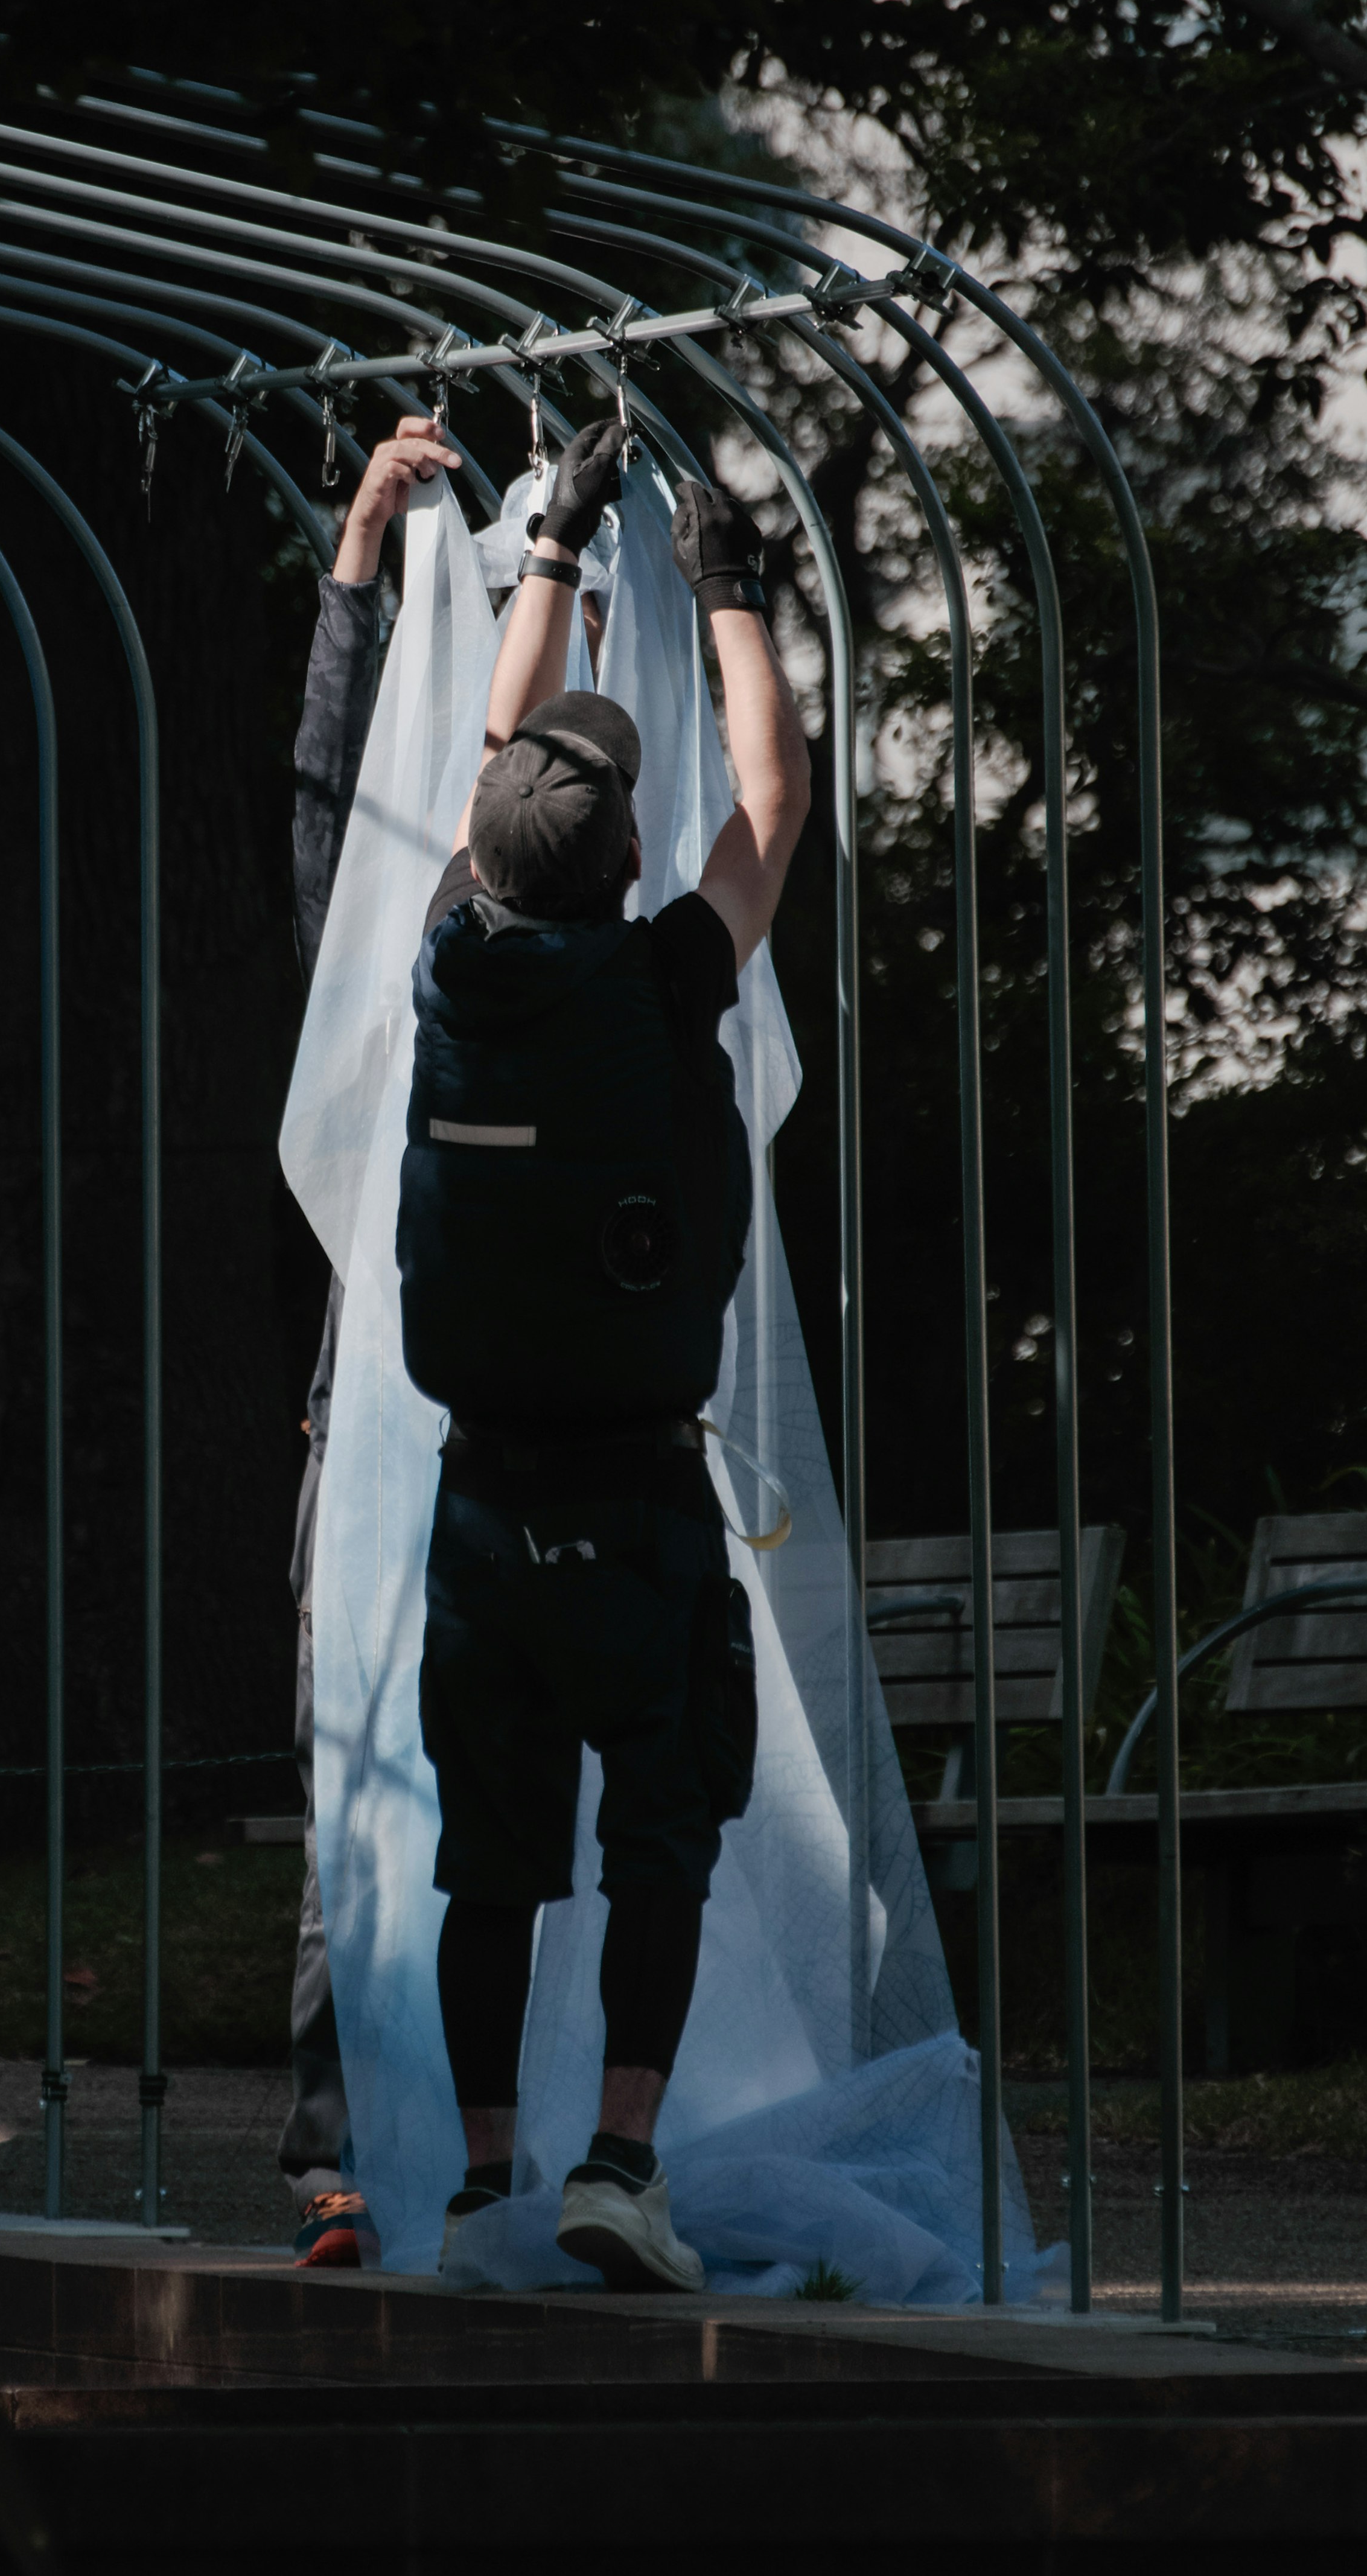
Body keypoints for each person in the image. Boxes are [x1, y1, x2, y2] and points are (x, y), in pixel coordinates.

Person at [396, 413, 811, 2292]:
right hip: (636, 1500)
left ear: (490, 858)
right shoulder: (666, 986)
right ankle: (617, 2158)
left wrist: (550, 543)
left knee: (490, 1860)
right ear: (627, 853)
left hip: (482, 1499)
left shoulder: (453, 966)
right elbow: (775, 799)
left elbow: (503, 759)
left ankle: (487, 2170)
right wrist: (733, 583)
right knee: (661, 1832)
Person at [282, 410, 460, 2267]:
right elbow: (337, 814)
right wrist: (357, 563)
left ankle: (496, 2129)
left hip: (522, 1398)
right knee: (356, 1732)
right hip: (376, 1396)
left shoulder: (577, 967)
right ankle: (350, 2143)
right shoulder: (384, 975)